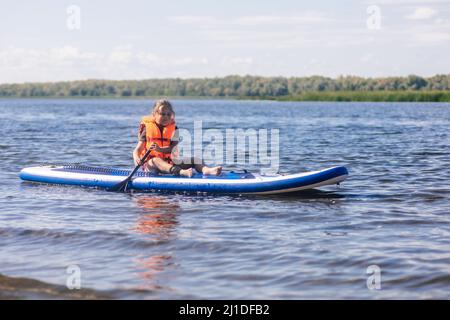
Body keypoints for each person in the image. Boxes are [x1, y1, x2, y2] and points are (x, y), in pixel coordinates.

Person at [133, 99, 222, 178]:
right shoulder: (147, 128)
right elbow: (138, 149)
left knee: (195, 159)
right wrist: (137, 158)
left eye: (168, 114)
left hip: (170, 163)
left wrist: (159, 149)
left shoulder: (174, 129)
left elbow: (172, 149)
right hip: (151, 166)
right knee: (156, 160)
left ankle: (207, 170)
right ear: (154, 114)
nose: (166, 117)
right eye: (162, 114)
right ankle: (181, 172)